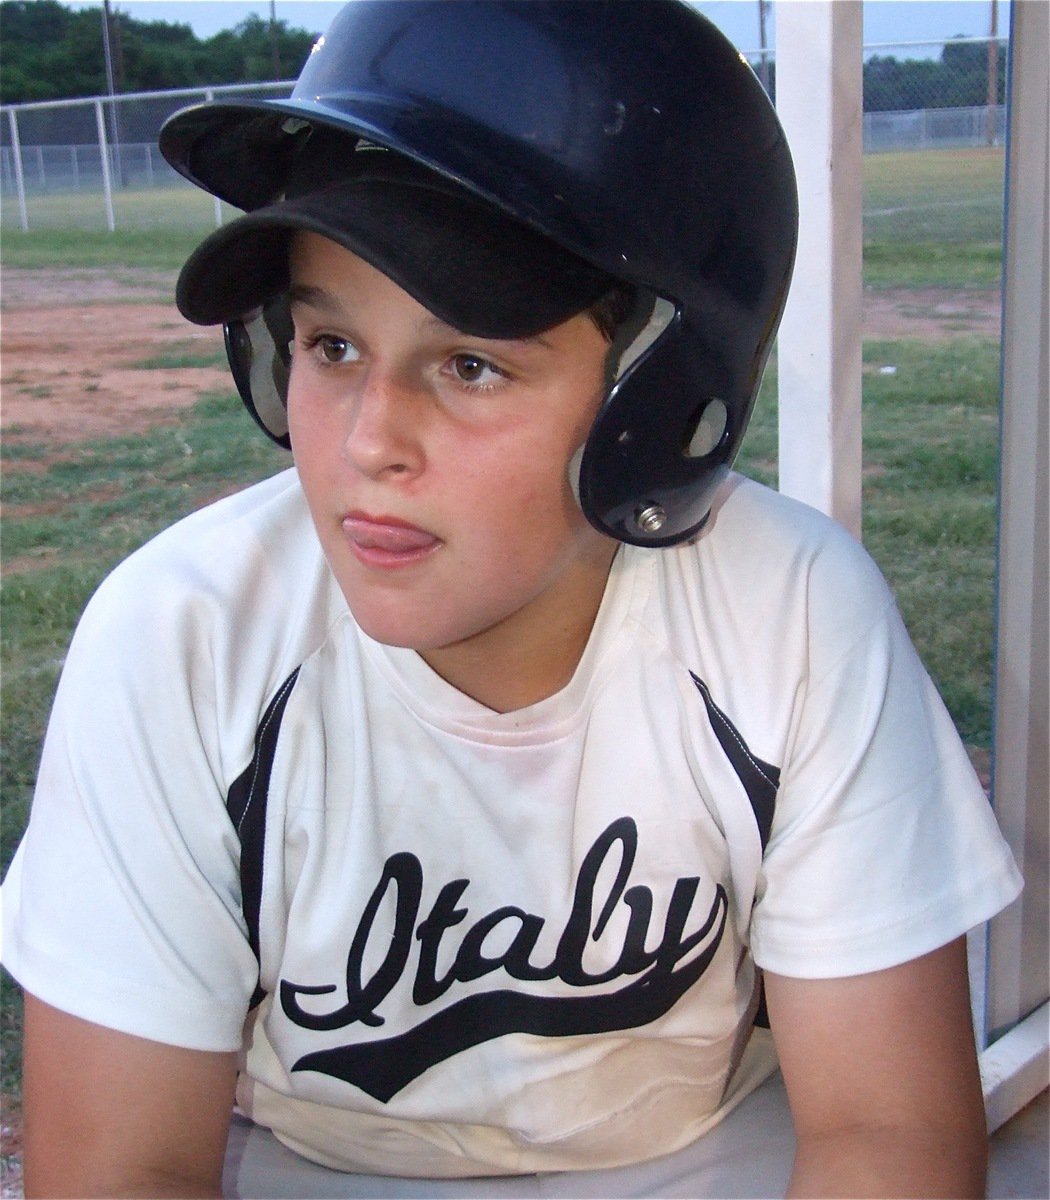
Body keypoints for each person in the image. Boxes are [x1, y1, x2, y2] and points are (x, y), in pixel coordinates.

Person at [2, 2, 1022, 1197]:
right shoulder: (182, 633)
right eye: (331, 347)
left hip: (699, 1159)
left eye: (471, 365)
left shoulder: (787, 612)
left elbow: (888, 1132)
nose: (368, 443)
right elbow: (120, 1171)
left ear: (660, 405)